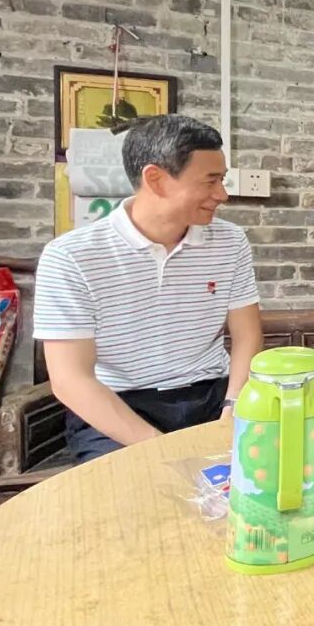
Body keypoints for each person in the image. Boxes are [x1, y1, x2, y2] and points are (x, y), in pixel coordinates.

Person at [33, 115, 262, 464]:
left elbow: (247, 336)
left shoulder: (230, 241)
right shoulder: (70, 257)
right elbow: (70, 379)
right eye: (211, 181)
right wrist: (161, 448)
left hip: (214, 396)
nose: (223, 195)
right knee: (142, 490)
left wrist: (234, 407)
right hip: (118, 407)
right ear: (155, 179)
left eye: (222, 180)